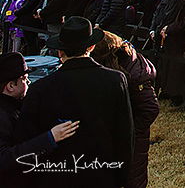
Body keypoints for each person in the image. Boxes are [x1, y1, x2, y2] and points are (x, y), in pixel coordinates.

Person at [16, 17, 134, 188]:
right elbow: (125, 134)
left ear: (60, 52)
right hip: (101, 174)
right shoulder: (115, 80)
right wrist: (122, 177)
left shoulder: (41, 88)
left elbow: (25, 140)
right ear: (91, 47)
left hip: (56, 175)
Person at [92, 30, 159, 188]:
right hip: (118, 136)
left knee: (132, 179)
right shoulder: (120, 65)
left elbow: (150, 109)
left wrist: (129, 130)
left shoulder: (133, 70)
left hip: (133, 140)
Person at [0, 52, 79, 185]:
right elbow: (4, 158)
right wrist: (50, 138)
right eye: (24, 79)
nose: (29, 82)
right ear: (11, 86)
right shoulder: (3, 114)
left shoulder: (15, 105)